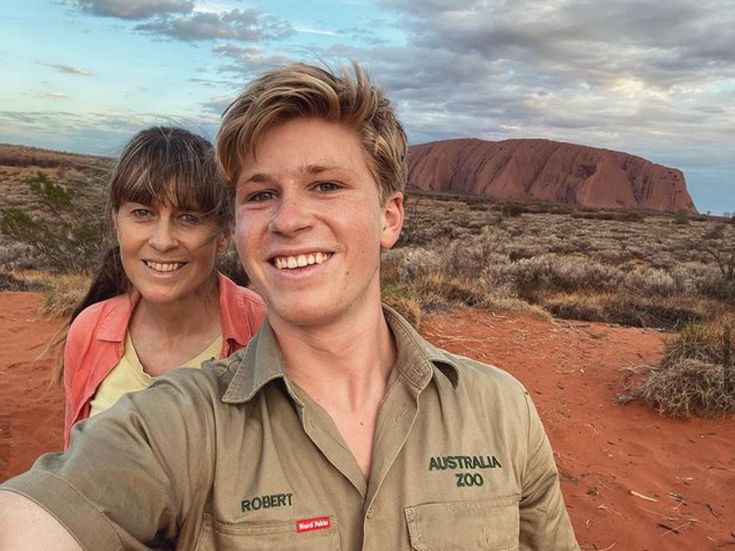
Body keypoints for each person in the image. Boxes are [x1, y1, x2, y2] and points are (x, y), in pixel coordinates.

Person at [0, 63, 579, 550]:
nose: (289, 219)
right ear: (242, 224)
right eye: (261, 194)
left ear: (390, 216)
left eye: (325, 185)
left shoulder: (501, 410)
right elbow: (50, 506)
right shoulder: (182, 421)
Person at [50, 126, 267, 447]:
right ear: (116, 221)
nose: (162, 241)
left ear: (224, 231)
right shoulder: (89, 331)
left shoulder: (262, 329)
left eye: (188, 217)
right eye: (142, 213)